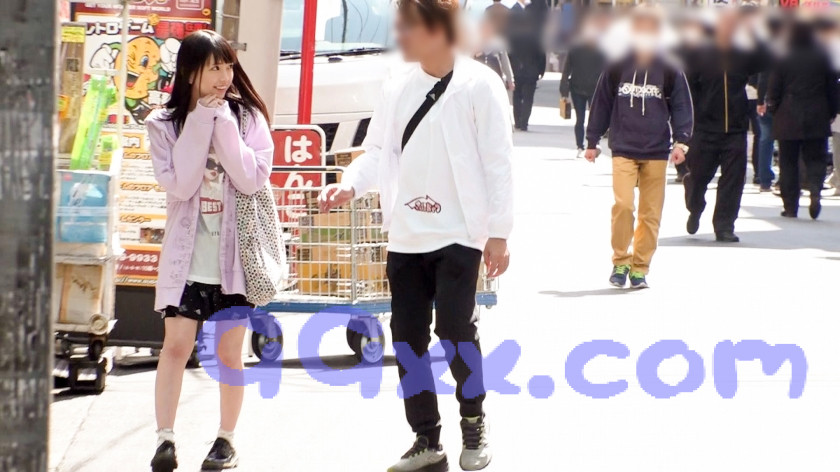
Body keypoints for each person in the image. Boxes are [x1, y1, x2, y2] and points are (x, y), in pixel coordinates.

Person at [318, 0, 513, 470]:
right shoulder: (397, 86)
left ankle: (473, 420)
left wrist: (499, 233)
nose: (400, 36)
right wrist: (349, 185)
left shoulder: (479, 85)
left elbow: (498, 162)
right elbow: (377, 151)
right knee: (407, 337)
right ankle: (426, 438)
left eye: (407, 27)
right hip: (405, 233)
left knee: (455, 328)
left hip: (460, 232)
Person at [146, 30, 274, 472]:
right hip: (186, 261)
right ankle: (165, 439)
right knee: (175, 348)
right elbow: (181, 184)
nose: (224, 76)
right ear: (189, 73)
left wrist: (222, 122)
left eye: (228, 66)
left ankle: (226, 439)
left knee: (228, 354)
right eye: (214, 68)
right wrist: (201, 118)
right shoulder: (164, 124)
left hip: (235, 261)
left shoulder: (247, 117)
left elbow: (250, 178)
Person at [585, 4, 694, 289]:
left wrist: (682, 141)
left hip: (656, 149)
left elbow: (681, 104)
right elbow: (602, 100)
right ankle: (621, 261)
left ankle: (639, 268)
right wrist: (592, 140)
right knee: (623, 206)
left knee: (650, 214)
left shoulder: (669, 65)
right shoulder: (619, 62)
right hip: (623, 146)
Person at [682, 8, 767, 243]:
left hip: (735, 128)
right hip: (705, 128)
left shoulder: (743, 52)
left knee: (733, 179)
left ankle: (724, 225)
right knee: (698, 177)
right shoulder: (698, 53)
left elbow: (766, 60)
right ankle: (695, 207)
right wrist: (691, 120)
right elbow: (688, 89)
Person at [767, 20, 839, 219]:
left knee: (788, 161)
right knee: (816, 157)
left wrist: (773, 107)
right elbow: (832, 87)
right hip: (817, 112)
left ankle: (790, 206)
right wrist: (832, 111)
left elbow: (775, 85)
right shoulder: (823, 55)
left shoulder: (784, 55)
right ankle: (815, 188)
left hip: (788, 113)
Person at [560, 18, 606, 158]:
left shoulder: (575, 48)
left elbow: (567, 69)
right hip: (594, 89)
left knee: (580, 118)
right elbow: (606, 71)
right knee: (593, 118)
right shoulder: (601, 50)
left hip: (578, 88)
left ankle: (580, 145)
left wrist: (564, 90)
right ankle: (593, 143)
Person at [507, 0, 547, 131]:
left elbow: (509, 54)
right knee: (528, 98)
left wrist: (510, 68)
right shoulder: (535, 37)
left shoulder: (513, 36)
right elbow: (541, 55)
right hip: (531, 72)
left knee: (517, 96)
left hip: (517, 70)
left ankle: (517, 121)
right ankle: (524, 123)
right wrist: (541, 70)